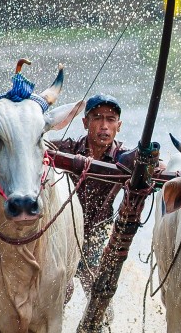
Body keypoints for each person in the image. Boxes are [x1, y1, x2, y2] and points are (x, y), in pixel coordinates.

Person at [50, 94, 136, 292]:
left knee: (97, 289)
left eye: (110, 119)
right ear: (85, 122)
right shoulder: (66, 149)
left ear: (119, 125)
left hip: (97, 234)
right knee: (63, 290)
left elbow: (157, 169)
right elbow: (37, 150)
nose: (104, 125)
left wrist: (149, 165)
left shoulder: (124, 158)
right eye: (97, 118)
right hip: (63, 231)